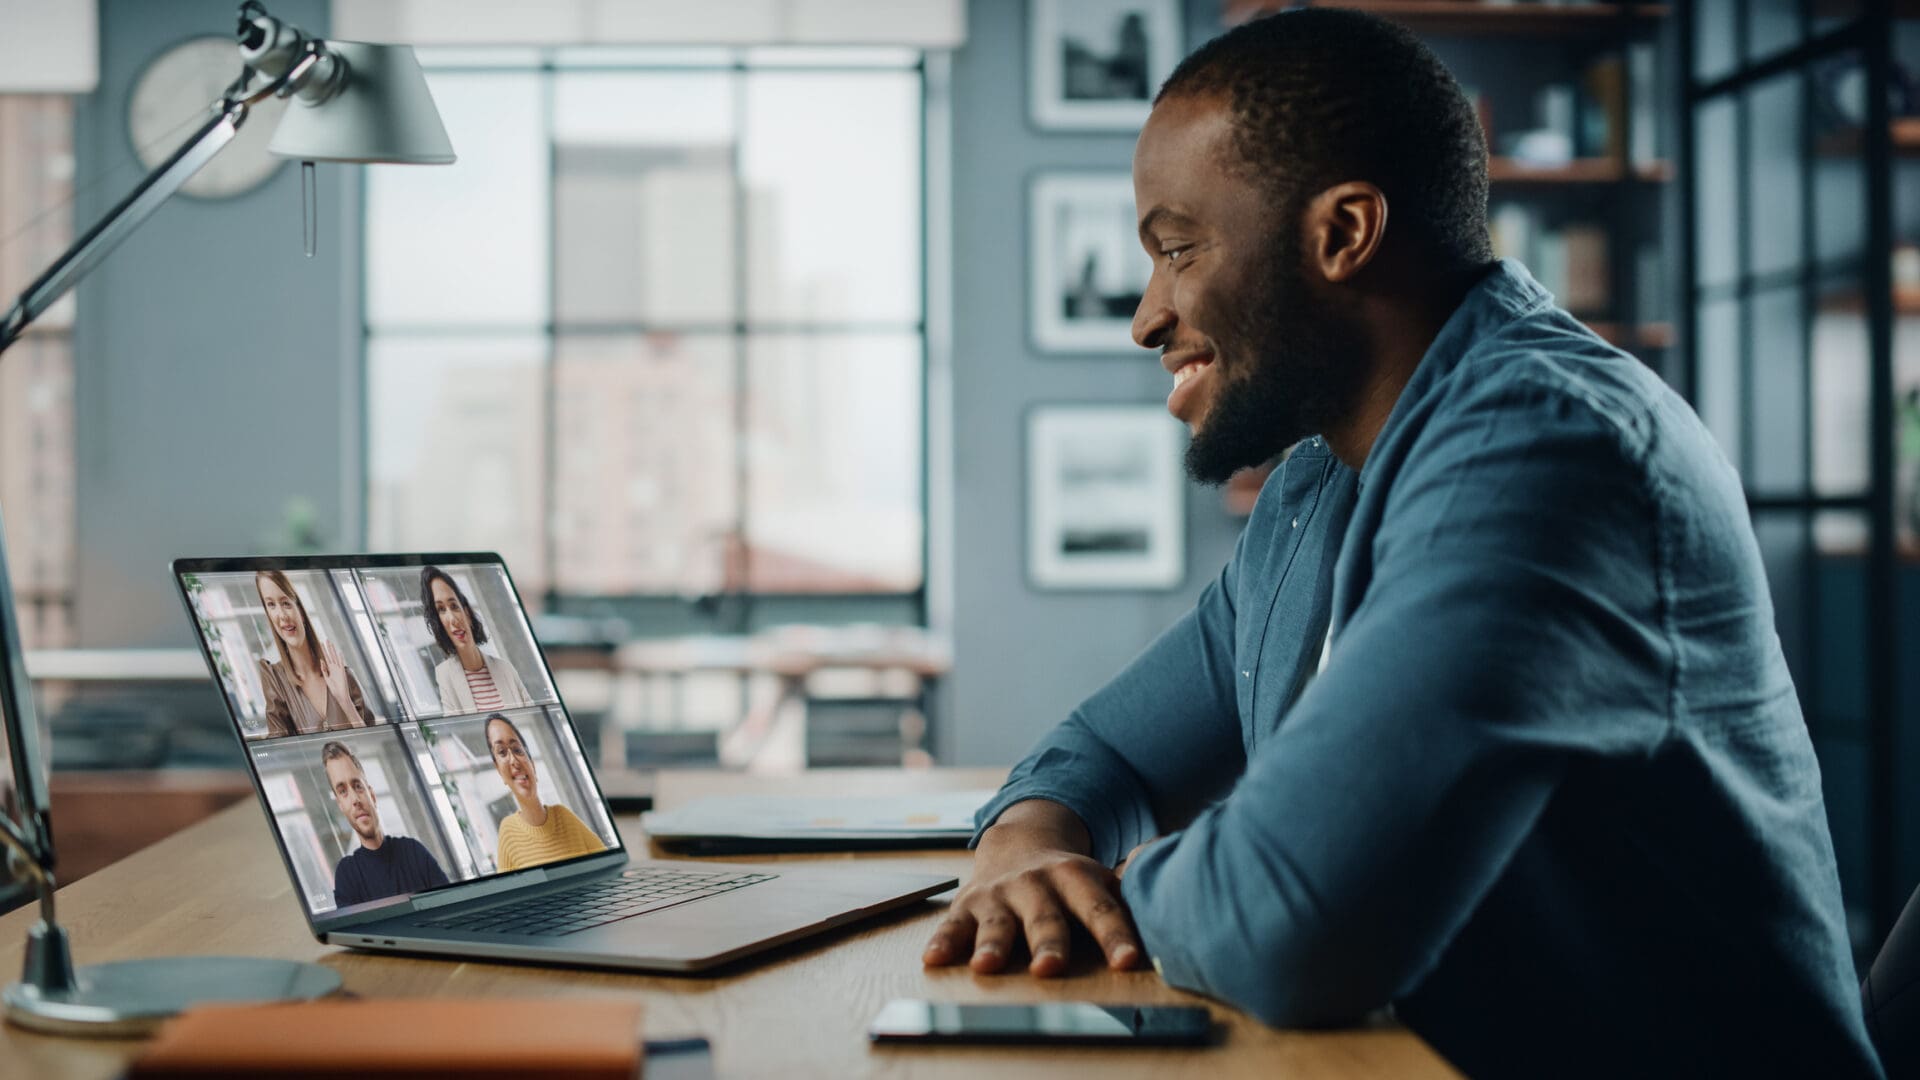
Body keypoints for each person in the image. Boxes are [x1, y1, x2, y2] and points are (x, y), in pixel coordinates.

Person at [922, 11, 1881, 1079]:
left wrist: (1122, 878)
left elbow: (1290, 921)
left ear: (1342, 234)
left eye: (1179, 250)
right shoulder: (1317, 482)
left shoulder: (1553, 453)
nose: (1148, 316)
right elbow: (1107, 756)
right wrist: (1022, 848)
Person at [322, 740, 450, 908]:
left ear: (372, 795)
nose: (355, 800)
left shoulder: (414, 852)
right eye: (343, 791)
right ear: (341, 806)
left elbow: (451, 907)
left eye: (358, 786)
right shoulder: (347, 876)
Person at [255, 569, 375, 737]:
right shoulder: (275, 680)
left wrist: (344, 701)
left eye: (286, 603)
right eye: (271, 605)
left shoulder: (341, 673)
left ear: (301, 611)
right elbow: (282, 749)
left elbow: (372, 737)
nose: (281, 615)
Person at [484, 713, 604, 872]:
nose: (513, 760)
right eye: (502, 752)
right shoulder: (508, 832)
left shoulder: (564, 815)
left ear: (532, 764)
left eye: (517, 749)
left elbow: (607, 865)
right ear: (499, 770)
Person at [421, 566, 534, 715]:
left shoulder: (506, 669)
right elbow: (459, 731)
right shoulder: (444, 675)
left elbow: (537, 717)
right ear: (438, 623)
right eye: (441, 610)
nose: (453, 619)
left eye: (454, 606)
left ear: (466, 613)